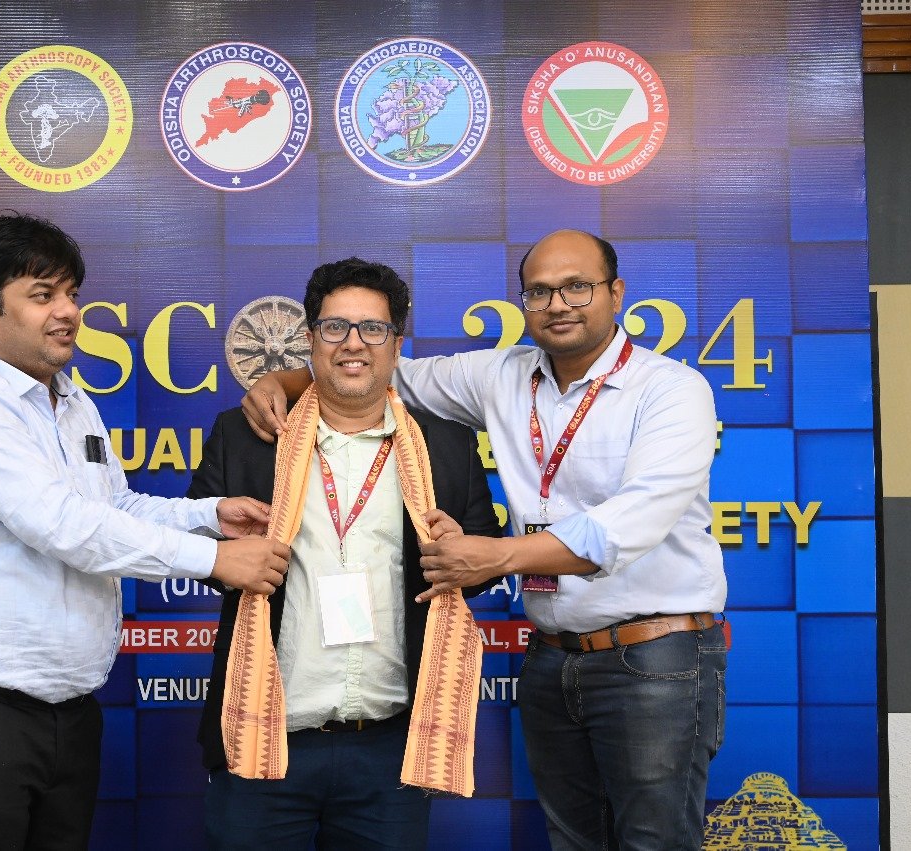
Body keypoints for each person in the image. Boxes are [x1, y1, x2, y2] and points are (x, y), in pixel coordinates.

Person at [242, 230, 728, 851]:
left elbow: (629, 524)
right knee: (574, 840)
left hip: (655, 655)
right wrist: (281, 382)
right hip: (552, 656)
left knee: (653, 843)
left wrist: (498, 556)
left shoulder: (670, 390)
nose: (558, 304)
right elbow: (375, 370)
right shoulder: (503, 375)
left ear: (617, 293)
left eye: (577, 287)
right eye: (539, 292)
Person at [0, 212, 289, 851]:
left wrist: (209, 516)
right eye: (42, 295)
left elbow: (116, 506)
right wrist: (213, 561)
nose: (67, 312)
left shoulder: (72, 401)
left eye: (71, 293)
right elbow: (63, 526)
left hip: (70, 712)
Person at [190, 257, 502, 850]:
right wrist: (231, 553)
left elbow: (482, 563)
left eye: (372, 328)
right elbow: (199, 552)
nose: (353, 343)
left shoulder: (447, 444)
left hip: (389, 749)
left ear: (396, 345)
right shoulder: (245, 436)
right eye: (335, 327)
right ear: (310, 340)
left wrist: (461, 554)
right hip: (265, 738)